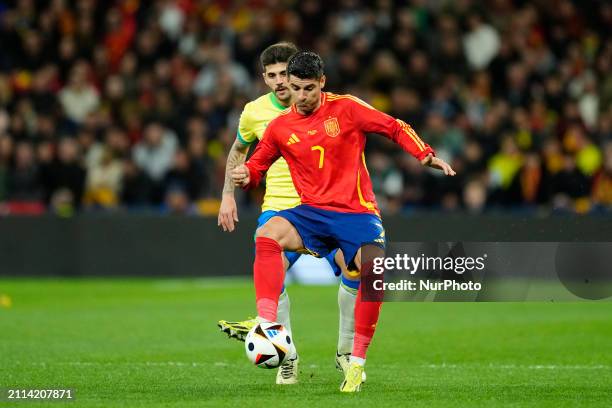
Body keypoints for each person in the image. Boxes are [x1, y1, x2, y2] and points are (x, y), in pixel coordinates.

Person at [231, 51, 455, 392]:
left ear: (322, 82)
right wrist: (246, 174)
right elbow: (258, 166)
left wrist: (424, 153)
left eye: (308, 88)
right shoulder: (279, 127)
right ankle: (266, 323)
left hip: (356, 213)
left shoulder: (347, 108)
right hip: (312, 213)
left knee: (372, 270)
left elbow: (393, 126)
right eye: (295, 89)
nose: (301, 97)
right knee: (267, 234)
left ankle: (355, 360)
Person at [216, 43, 361, 385]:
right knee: (271, 271)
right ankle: (286, 355)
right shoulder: (254, 113)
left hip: (325, 207)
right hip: (280, 209)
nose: (280, 82)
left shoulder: (331, 107)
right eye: (273, 76)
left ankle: (344, 352)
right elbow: (239, 151)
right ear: (263, 78)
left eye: (285, 74)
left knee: (354, 270)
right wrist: (227, 194)